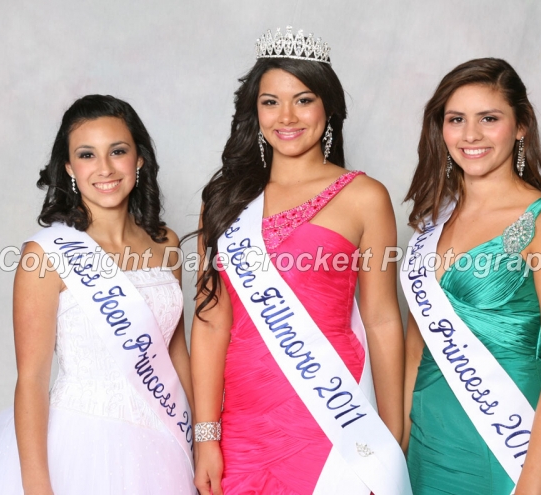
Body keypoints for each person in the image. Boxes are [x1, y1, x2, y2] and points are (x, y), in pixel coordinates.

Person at [189, 27, 411, 495]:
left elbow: (383, 320)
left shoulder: (364, 197)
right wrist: (205, 436)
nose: (286, 116)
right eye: (270, 101)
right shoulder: (226, 200)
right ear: (254, 110)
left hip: (334, 415)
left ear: (328, 108)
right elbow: (210, 324)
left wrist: (391, 436)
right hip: (243, 426)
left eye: (303, 99)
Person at [0, 95, 195, 494]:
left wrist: (205, 434)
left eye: (118, 151)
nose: (105, 168)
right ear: (70, 168)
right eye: (88, 155)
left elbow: (175, 351)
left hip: (165, 438)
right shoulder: (45, 255)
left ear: (138, 160)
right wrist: (37, 484)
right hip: (82, 444)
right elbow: (33, 380)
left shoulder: (167, 244)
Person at [401, 58, 541, 494]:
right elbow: (415, 354)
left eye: (489, 118)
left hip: (510, 441)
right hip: (428, 443)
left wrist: (529, 490)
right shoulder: (431, 222)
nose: (470, 135)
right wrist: (399, 454)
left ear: (521, 125)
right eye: (456, 119)